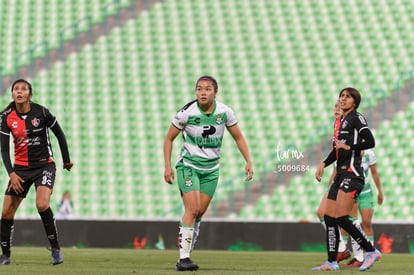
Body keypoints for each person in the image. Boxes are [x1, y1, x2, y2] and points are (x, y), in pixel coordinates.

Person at [163, 76, 254, 271]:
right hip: (188, 166)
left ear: (215, 92)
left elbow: (238, 137)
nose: (203, 92)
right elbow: (169, 139)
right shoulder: (186, 113)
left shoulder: (225, 112)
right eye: (199, 89)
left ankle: (186, 250)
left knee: (199, 213)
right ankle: (183, 258)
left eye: (207, 89)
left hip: (211, 170)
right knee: (192, 209)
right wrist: (168, 166)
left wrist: (248, 161)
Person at [0, 79, 73, 265]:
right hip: (20, 170)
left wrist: (66, 160)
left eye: (23, 89)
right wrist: (12, 174)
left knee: (42, 204)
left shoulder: (41, 112)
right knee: (7, 212)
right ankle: (5, 255)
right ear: (12, 94)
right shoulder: (7, 117)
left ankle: (56, 249)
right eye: (16, 89)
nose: (19, 92)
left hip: (44, 166)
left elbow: (59, 134)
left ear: (29, 95)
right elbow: (4, 150)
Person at [313, 87, 381, 271]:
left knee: (342, 218)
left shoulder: (356, 118)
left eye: (348, 97)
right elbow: (337, 150)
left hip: (353, 174)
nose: (343, 99)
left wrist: (349, 145)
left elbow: (370, 141)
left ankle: (371, 251)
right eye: (341, 96)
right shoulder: (341, 122)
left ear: (355, 102)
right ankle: (331, 261)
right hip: (340, 174)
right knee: (328, 217)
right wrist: (324, 164)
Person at [315, 101, 351, 263]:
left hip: (348, 176)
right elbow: (337, 156)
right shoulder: (337, 126)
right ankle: (344, 249)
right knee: (324, 214)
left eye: (340, 107)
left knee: (336, 216)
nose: (336, 109)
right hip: (338, 176)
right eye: (335, 106)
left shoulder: (348, 126)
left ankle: (363, 250)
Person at [342, 149, 384, 267]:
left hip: (366, 192)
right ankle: (356, 256)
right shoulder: (349, 153)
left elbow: (374, 173)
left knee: (367, 222)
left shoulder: (369, 154)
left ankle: (369, 255)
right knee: (352, 223)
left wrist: (380, 191)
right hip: (352, 191)